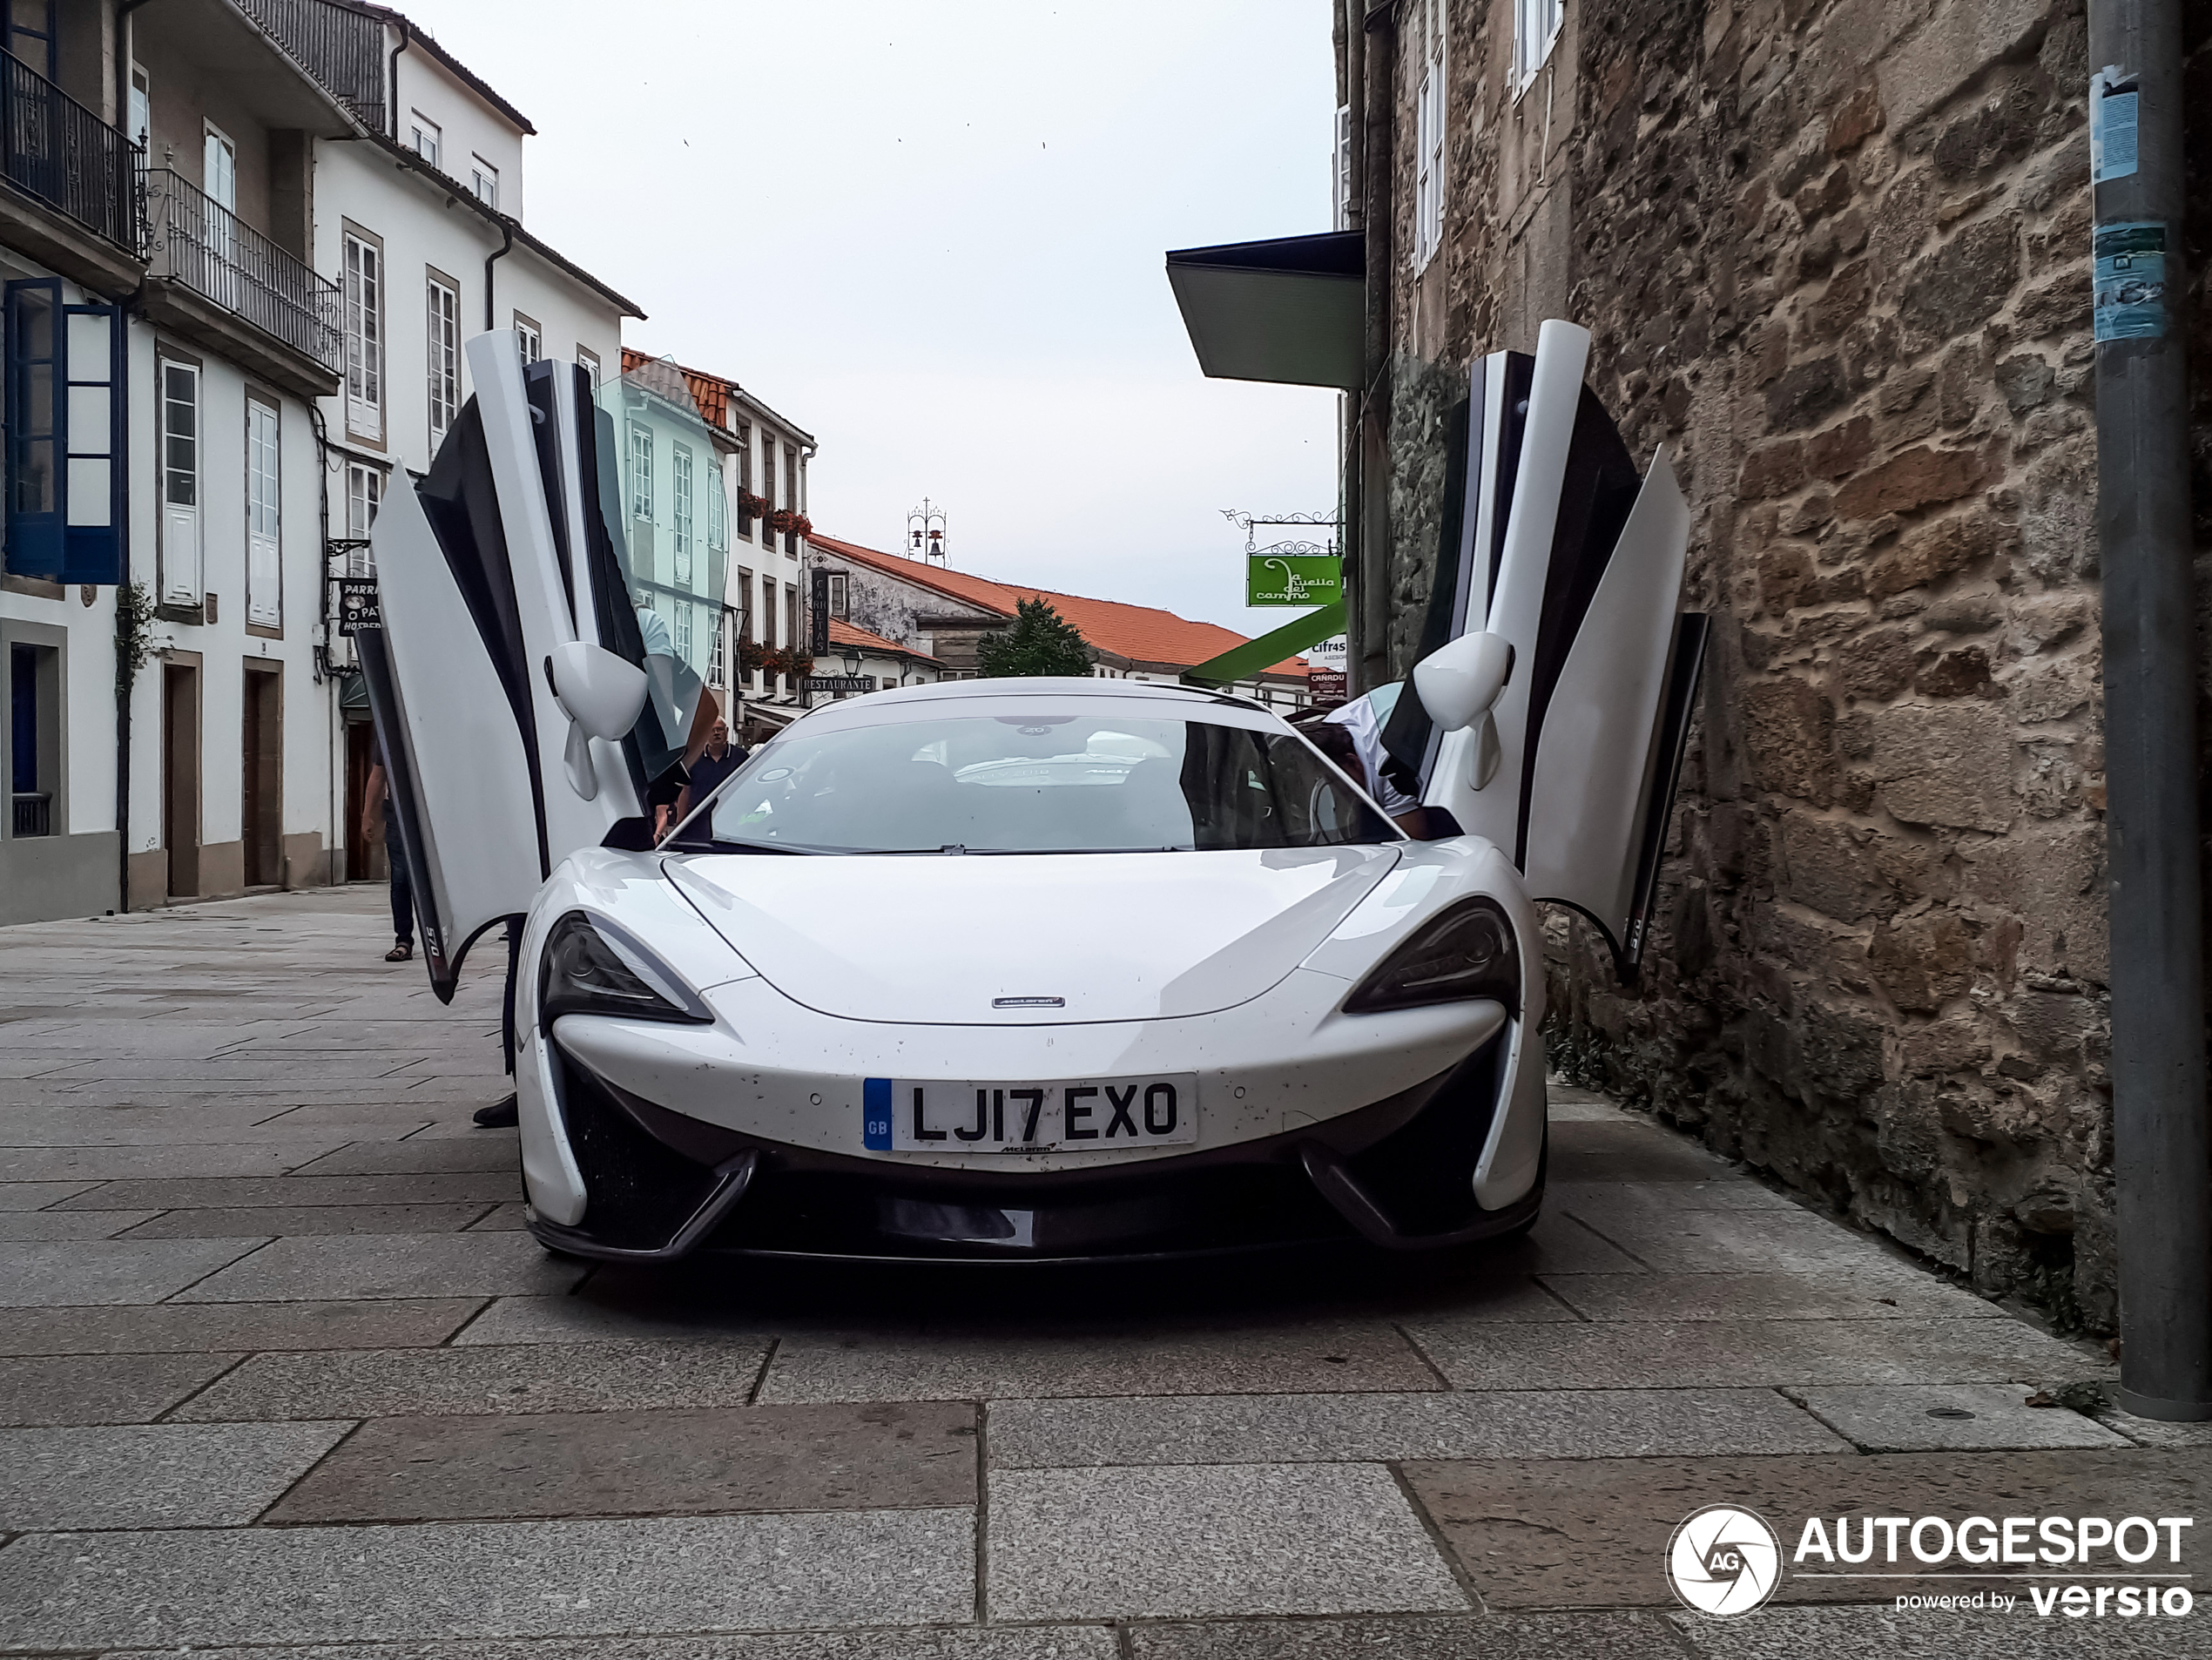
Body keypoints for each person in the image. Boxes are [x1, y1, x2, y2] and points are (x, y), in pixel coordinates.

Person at [361, 750, 414, 962]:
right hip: (398, 813)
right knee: (400, 879)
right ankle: (403, 941)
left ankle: (442, 939)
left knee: (438, 881)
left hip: (435, 811)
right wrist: (367, 815)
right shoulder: (390, 722)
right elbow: (378, 775)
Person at [669, 716, 745, 833]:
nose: (716, 733)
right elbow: (685, 791)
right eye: (712, 730)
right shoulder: (693, 757)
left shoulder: (741, 757)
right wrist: (680, 824)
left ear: (727, 731)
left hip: (731, 818)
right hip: (698, 819)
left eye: (720, 729)